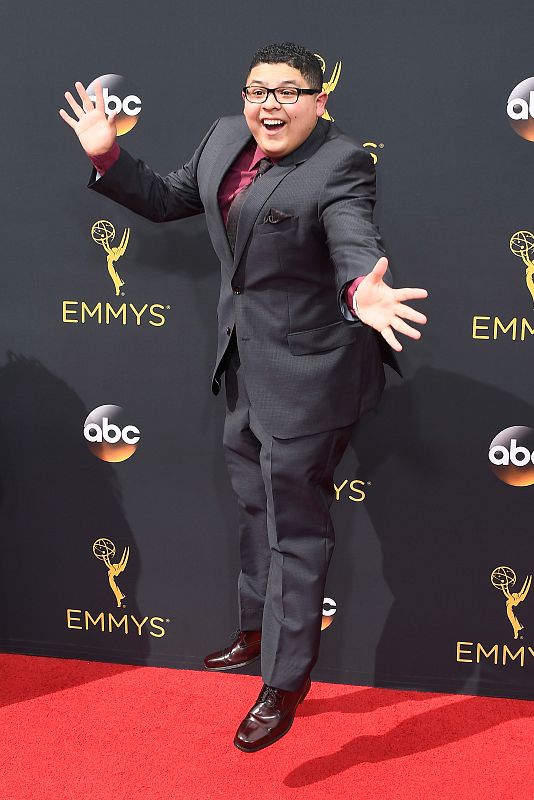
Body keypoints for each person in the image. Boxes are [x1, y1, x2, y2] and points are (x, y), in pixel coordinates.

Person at [59, 42, 427, 753]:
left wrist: (361, 290)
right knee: (253, 501)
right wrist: (108, 157)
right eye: (258, 90)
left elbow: (353, 239)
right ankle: (257, 630)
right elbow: (168, 199)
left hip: (313, 375)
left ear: (320, 101)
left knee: (294, 528)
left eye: (289, 92)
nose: (269, 104)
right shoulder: (227, 135)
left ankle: (284, 685)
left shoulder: (341, 164)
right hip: (243, 362)